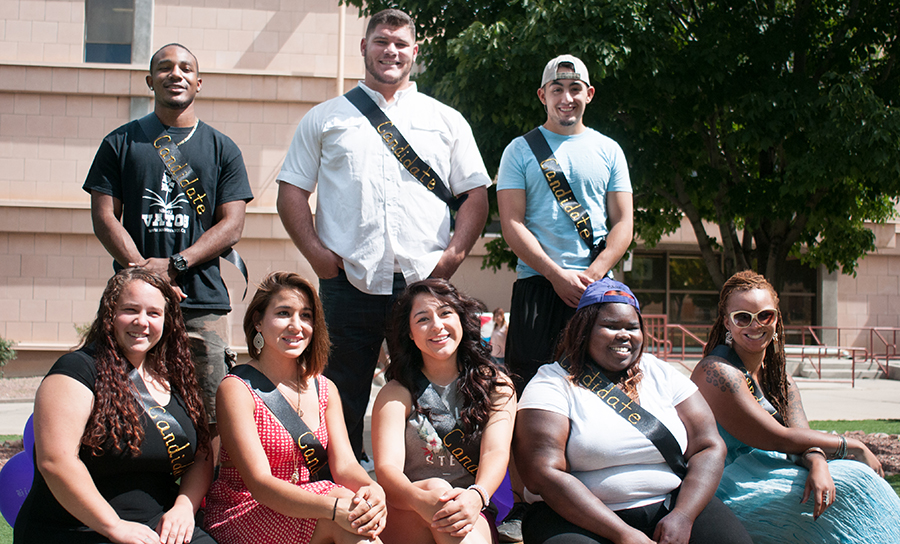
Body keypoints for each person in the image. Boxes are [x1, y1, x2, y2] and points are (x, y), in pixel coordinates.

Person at [276, 8, 490, 466]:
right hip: (346, 282)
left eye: (399, 43)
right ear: (364, 48)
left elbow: (475, 195)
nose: (390, 51)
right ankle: (339, 485)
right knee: (337, 390)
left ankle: (437, 483)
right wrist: (317, 256)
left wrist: (450, 259)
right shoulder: (325, 117)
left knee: (430, 389)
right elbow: (291, 192)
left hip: (423, 284)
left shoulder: (446, 119)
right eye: (381, 41)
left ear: (414, 51)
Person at [495, 54, 634, 540]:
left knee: (603, 389)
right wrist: (555, 274)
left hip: (599, 292)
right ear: (543, 95)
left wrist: (593, 275)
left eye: (576, 88)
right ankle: (521, 500)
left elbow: (623, 223)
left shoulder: (610, 150)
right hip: (538, 286)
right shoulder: (519, 149)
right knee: (527, 389)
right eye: (557, 88)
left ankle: (601, 488)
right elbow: (511, 222)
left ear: (588, 94)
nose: (566, 96)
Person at [84, 43, 254, 433]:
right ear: (150, 81)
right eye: (164, 68)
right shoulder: (119, 143)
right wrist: (144, 275)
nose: (175, 74)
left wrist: (176, 264)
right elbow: (104, 216)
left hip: (203, 301)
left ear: (198, 82)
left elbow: (232, 225)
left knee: (213, 415)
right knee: (123, 405)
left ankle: (208, 494)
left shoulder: (222, 148)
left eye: (184, 68)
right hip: (133, 301)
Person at [514, 278, 752, 544]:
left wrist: (683, 515)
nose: (624, 334)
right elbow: (542, 474)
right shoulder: (552, 382)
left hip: (670, 505)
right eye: (610, 326)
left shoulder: (660, 372)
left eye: (632, 327)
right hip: (575, 517)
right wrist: (624, 534)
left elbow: (708, 445)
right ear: (583, 330)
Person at [691, 270, 900, 543]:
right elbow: (779, 437)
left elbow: (801, 433)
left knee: (851, 482)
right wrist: (853, 445)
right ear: (727, 324)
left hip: (770, 470)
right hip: (726, 486)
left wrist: (818, 462)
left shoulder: (779, 377)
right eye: (742, 317)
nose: (755, 325)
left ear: (776, 320)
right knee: (854, 483)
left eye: (765, 315)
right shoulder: (717, 372)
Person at [14, 268, 215, 544]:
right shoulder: (77, 370)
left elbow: (202, 454)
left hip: (158, 528)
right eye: (130, 310)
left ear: (168, 321)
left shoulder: (176, 377)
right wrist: (115, 527)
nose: (142, 322)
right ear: (110, 314)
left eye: (154, 313)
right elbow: (55, 461)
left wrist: (184, 507)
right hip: (81, 529)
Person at [204, 272, 387, 544]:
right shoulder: (237, 388)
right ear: (258, 321)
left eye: (306, 315)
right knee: (345, 509)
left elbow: (346, 465)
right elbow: (260, 484)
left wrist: (373, 490)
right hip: (245, 510)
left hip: (313, 504)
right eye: (283, 313)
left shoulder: (325, 389)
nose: (296, 325)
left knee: (354, 508)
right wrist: (334, 508)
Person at [371, 279, 516, 544]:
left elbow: (496, 452)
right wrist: (421, 499)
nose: (437, 325)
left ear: (462, 320)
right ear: (410, 334)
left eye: (446, 313)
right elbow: (387, 470)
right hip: (408, 509)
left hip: (471, 509)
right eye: (423, 319)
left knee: (449, 511)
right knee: (439, 492)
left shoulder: (496, 385)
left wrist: (476, 496)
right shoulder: (395, 393)